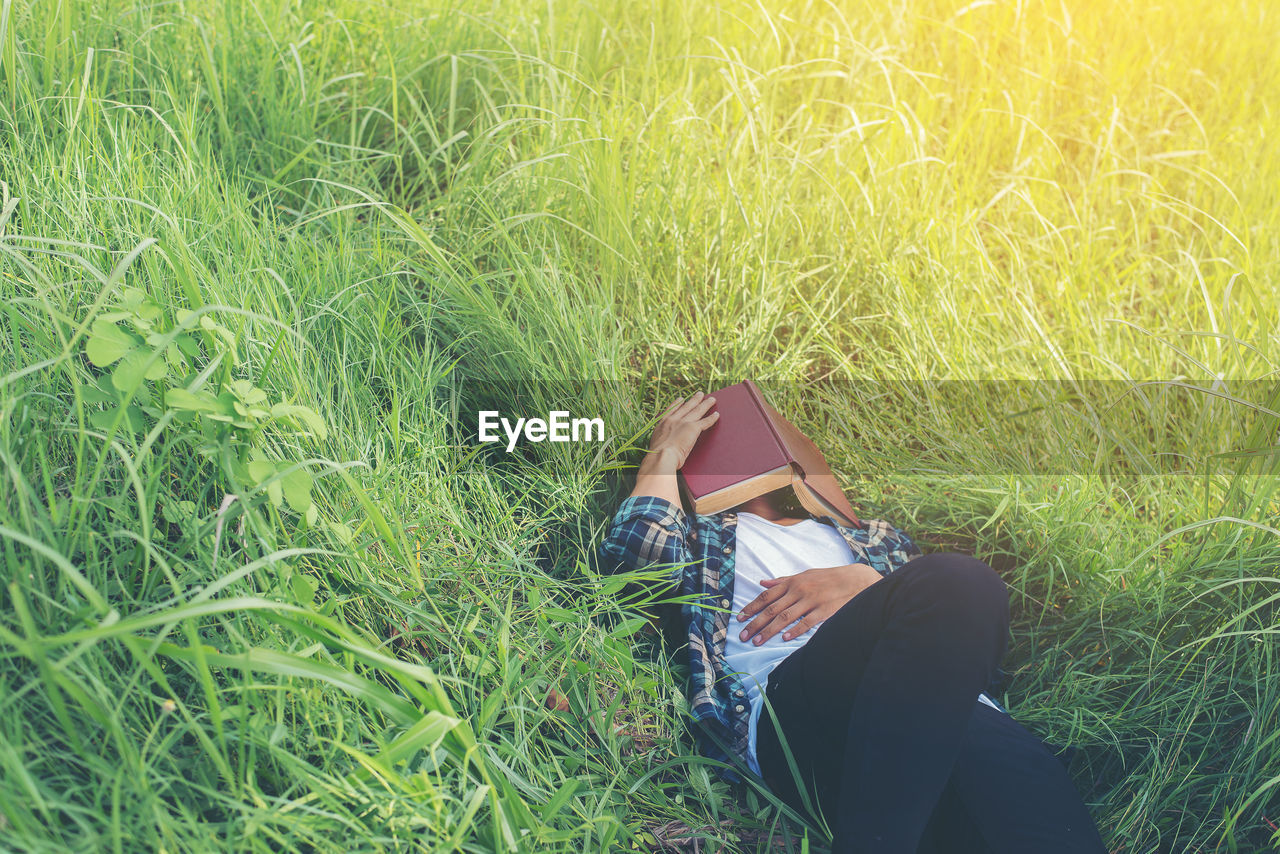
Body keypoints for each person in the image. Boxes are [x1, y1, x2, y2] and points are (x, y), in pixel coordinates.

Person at [599, 392, 1108, 853]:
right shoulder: (704, 535)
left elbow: (960, 638)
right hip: (800, 704)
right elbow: (630, 556)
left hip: (950, 716)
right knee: (962, 580)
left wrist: (866, 580)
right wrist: (663, 455)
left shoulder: (874, 540)